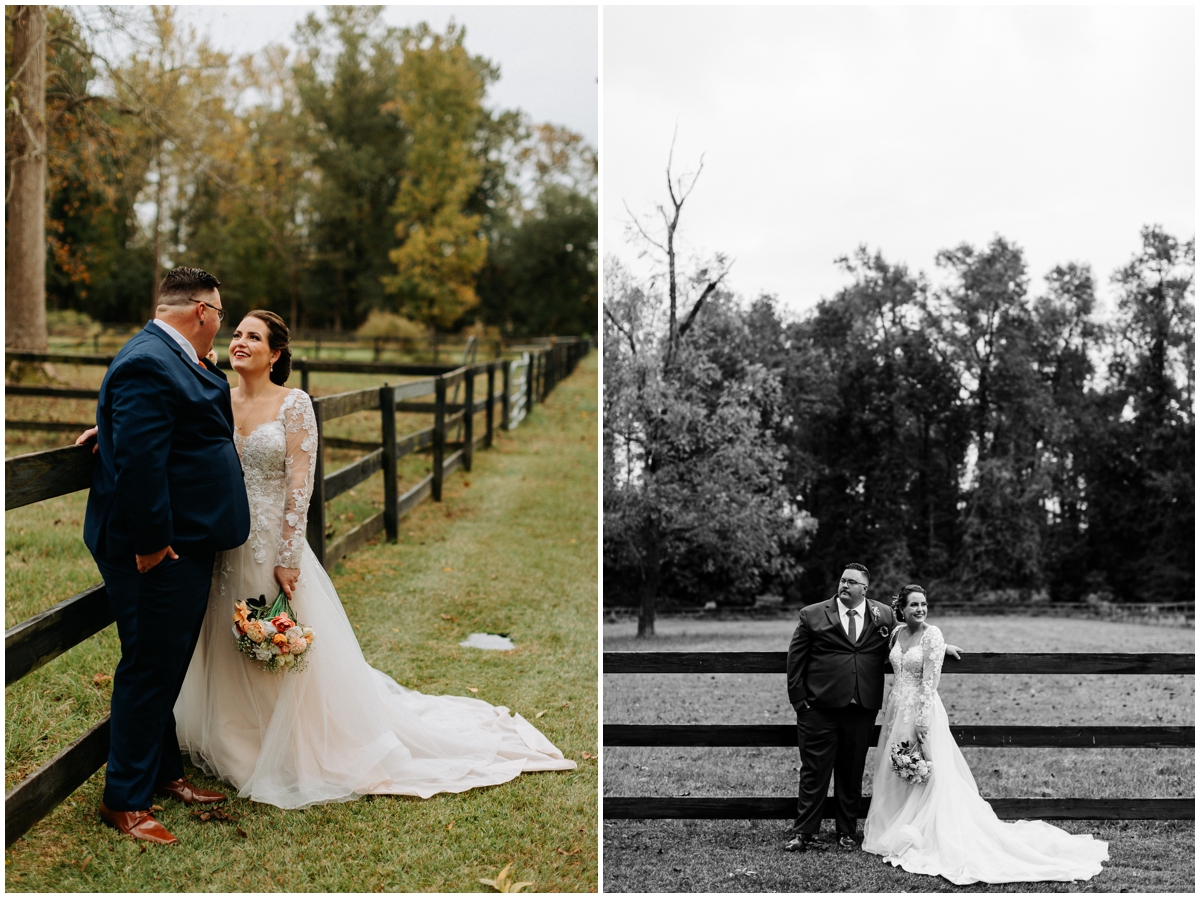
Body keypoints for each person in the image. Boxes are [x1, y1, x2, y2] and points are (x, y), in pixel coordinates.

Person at [172, 310, 576, 809]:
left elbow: (301, 484)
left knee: (268, 638)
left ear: (275, 354)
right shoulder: (218, 396)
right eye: (237, 333)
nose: (240, 342)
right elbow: (174, 435)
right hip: (222, 542)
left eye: (253, 337)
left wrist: (288, 555)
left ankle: (280, 744)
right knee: (222, 634)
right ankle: (230, 737)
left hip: (269, 543)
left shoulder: (294, 405)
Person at [82, 267, 250, 845]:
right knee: (150, 664)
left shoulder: (174, 358)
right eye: (221, 314)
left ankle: (165, 771)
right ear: (202, 311)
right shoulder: (149, 360)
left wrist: (107, 425)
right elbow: (142, 466)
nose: (221, 324)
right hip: (158, 547)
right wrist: (152, 544)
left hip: (189, 537)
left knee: (168, 659)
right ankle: (125, 799)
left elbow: (161, 430)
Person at [862, 586, 1109, 884]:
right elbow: (902, 653)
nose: (920, 609)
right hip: (895, 709)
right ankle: (898, 824)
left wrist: (922, 722)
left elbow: (929, 684)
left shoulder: (933, 634)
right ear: (901, 608)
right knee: (898, 766)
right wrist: (942, 647)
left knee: (928, 771)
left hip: (920, 711)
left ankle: (927, 830)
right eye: (914, 604)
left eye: (924, 604)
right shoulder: (896, 633)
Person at [784, 564, 960, 852]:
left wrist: (941, 644)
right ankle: (804, 832)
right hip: (819, 707)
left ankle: (846, 832)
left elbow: (913, 632)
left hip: (861, 707)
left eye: (852, 582)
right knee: (814, 771)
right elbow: (796, 659)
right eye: (842, 580)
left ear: (864, 589)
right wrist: (800, 701)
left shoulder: (883, 615)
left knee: (851, 771)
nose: (844, 585)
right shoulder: (812, 614)